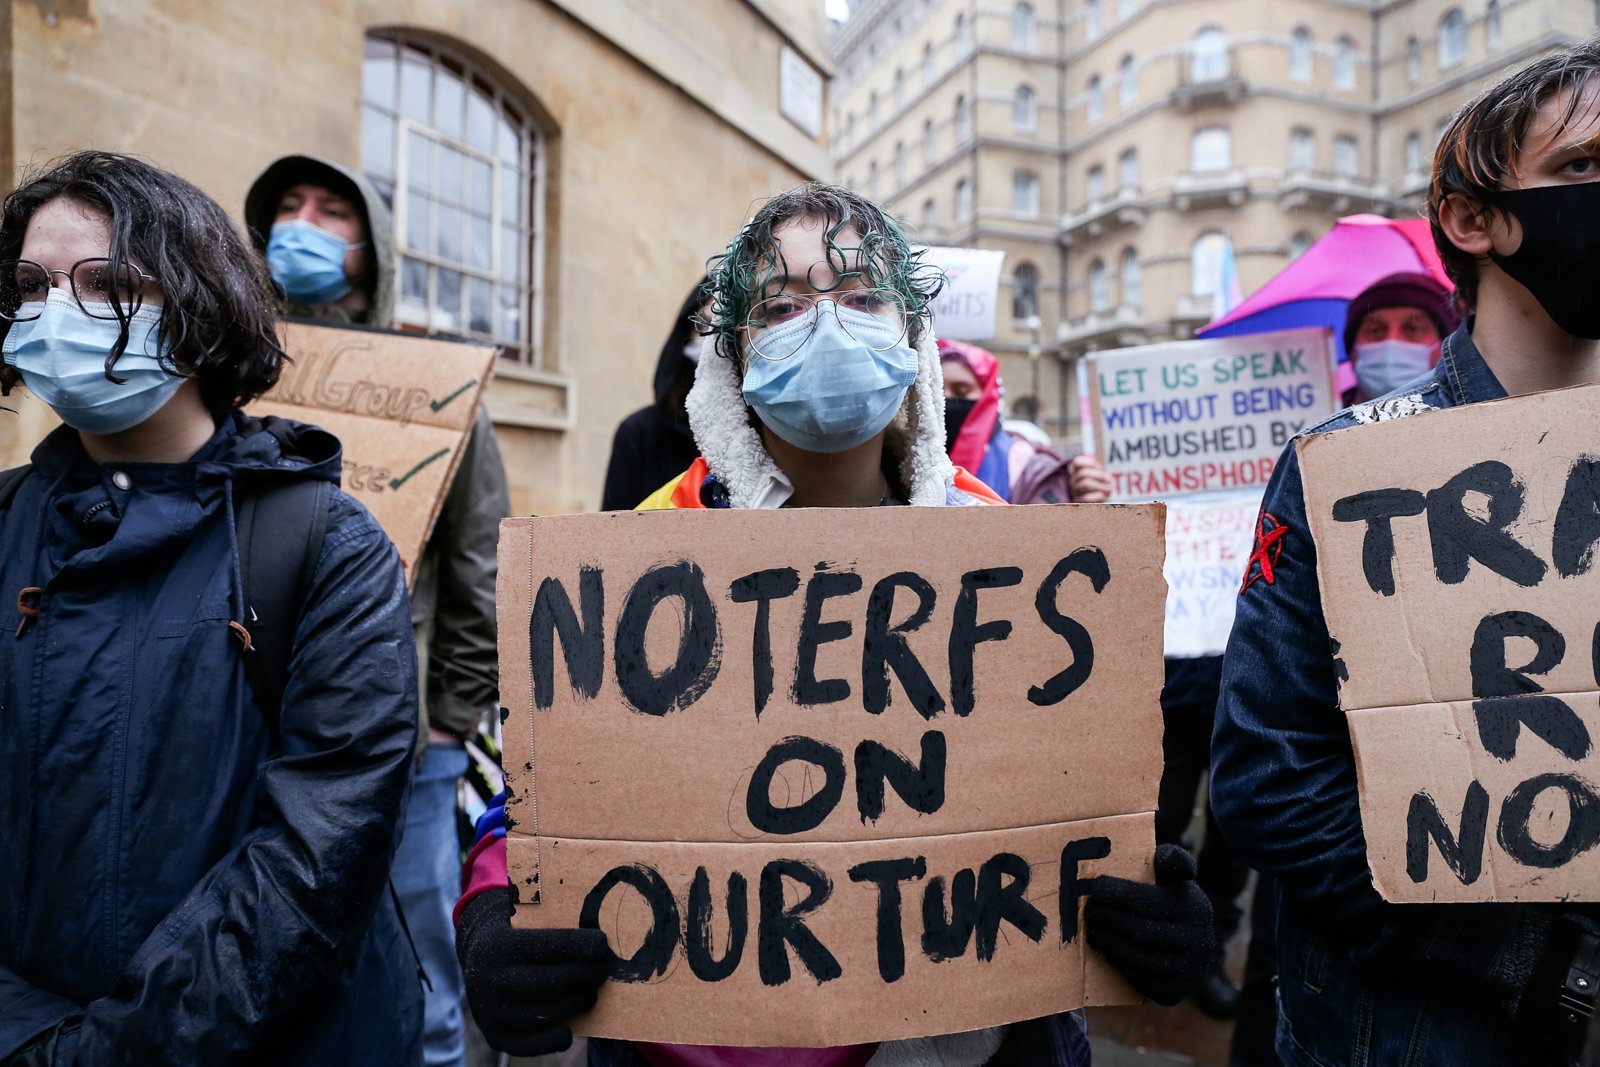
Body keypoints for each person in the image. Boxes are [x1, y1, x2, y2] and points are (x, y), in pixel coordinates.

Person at [452, 183, 1214, 1066]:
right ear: (732, 352)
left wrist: (1145, 900)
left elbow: (1081, 785)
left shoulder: (1004, 557)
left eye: (861, 299)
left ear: (912, 336)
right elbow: (521, 767)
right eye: (782, 305)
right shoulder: (646, 547)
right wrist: (494, 907)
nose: (825, 326)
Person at [1211, 42, 1600, 1066]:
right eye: (1579, 166)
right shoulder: (1348, 467)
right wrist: (1529, 956)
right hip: (1416, 1029)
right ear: (1475, 219)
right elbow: (1266, 773)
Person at [0, 152, 421, 1063]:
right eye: (31, 286)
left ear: (196, 298)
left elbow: (316, 859)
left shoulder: (326, 547)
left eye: (108, 282)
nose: (58, 311)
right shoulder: (4, 526)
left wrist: (104, 1052)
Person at [244, 154, 511, 1067]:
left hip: (402, 733)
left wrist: (448, 725)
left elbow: (480, 563)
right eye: (288, 207)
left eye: (332, 212)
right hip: (250, 711)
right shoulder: (227, 374)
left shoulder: (435, 386)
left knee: (416, 946)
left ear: (373, 248)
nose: (304, 224)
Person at [939, 339, 1109, 504]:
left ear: (988, 398)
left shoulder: (1027, 466)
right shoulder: (914, 461)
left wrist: (1076, 503)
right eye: (937, 389)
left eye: (961, 391)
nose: (945, 399)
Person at [600, 278, 707, 510]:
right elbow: (612, 532)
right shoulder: (640, 433)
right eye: (704, 324)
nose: (715, 339)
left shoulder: (771, 432)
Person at [1340, 272, 1460, 405]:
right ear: (1352, 348)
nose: (1392, 341)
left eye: (1413, 329)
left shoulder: (1473, 417)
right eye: (1375, 330)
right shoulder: (1318, 418)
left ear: (1447, 345)